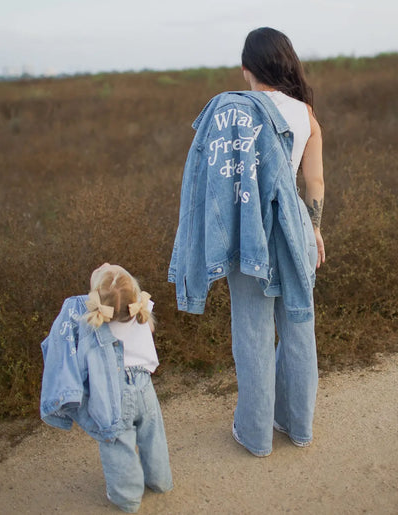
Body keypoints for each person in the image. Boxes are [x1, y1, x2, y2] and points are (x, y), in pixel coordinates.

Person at [168, 27, 325, 457]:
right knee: (299, 328)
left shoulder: (230, 113)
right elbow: (313, 181)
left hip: (250, 232)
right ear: (286, 62)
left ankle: (255, 435)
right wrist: (313, 229)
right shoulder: (305, 114)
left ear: (246, 70)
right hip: (294, 228)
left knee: (252, 333)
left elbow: (217, 179)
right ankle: (297, 426)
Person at [40, 263, 173, 513]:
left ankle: (127, 497)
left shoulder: (95, 322)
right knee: (153, 435)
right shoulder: (141, 308)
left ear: (96, 299)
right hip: (144, 387)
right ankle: (160, 481)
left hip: (113, 390)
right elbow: (149, 327)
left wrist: (97, 282)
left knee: (117, 441)